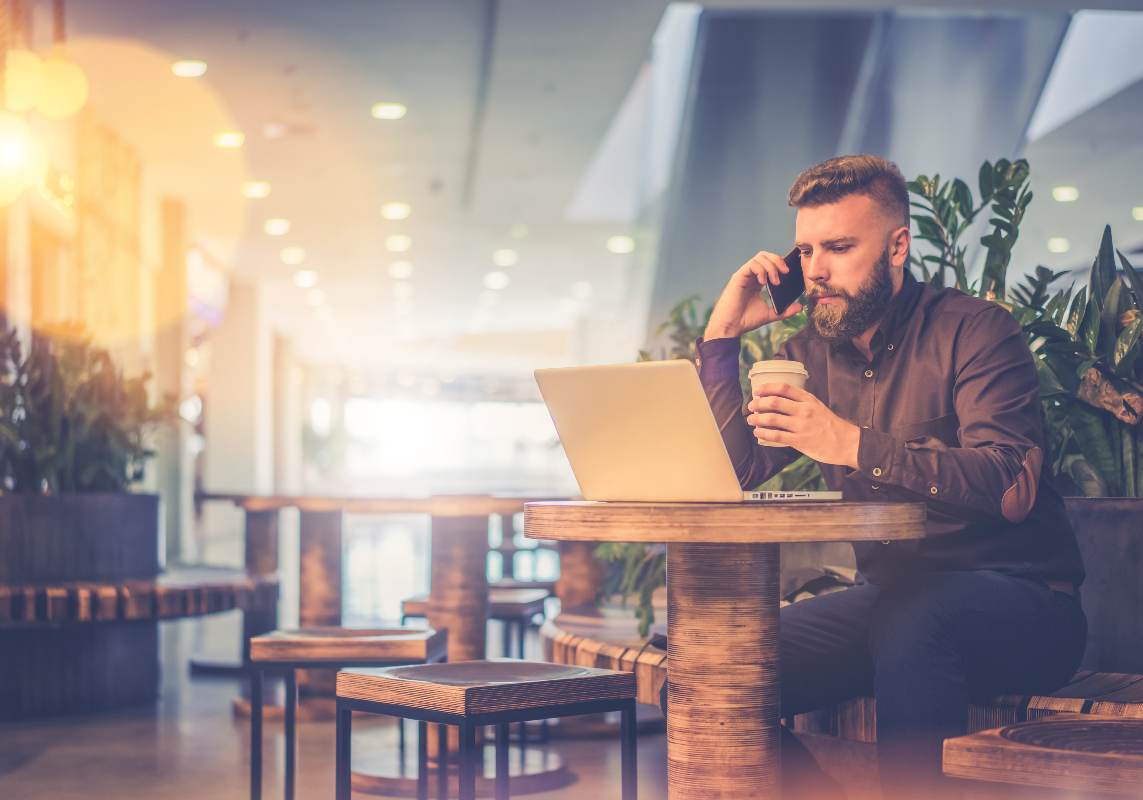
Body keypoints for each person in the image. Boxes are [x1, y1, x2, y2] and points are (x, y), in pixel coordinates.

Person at [678, 155, 1087, 799]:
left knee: (913, 621)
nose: (815, 270)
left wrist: (848, 443)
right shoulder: (807, 355)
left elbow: (1010, 487)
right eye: (807, 250)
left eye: (839, 247)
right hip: (894, 599)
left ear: (899, 245)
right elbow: (738, 468)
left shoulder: (976, 331)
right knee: (724, 664)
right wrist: (723, 334)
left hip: (1025, 602)